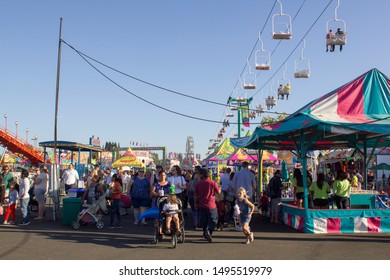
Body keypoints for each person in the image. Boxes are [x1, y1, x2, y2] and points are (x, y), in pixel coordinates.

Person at [194, 168, 221, 242]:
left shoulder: (198, 184)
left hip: (202, 204)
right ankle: (209, 231)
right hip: (211, 204)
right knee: (214, 220)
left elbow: (195, 194)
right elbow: (218, 192)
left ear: (202, 175)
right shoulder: (213, 183)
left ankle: (205, 232)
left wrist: (195, 203)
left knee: (204, 220)